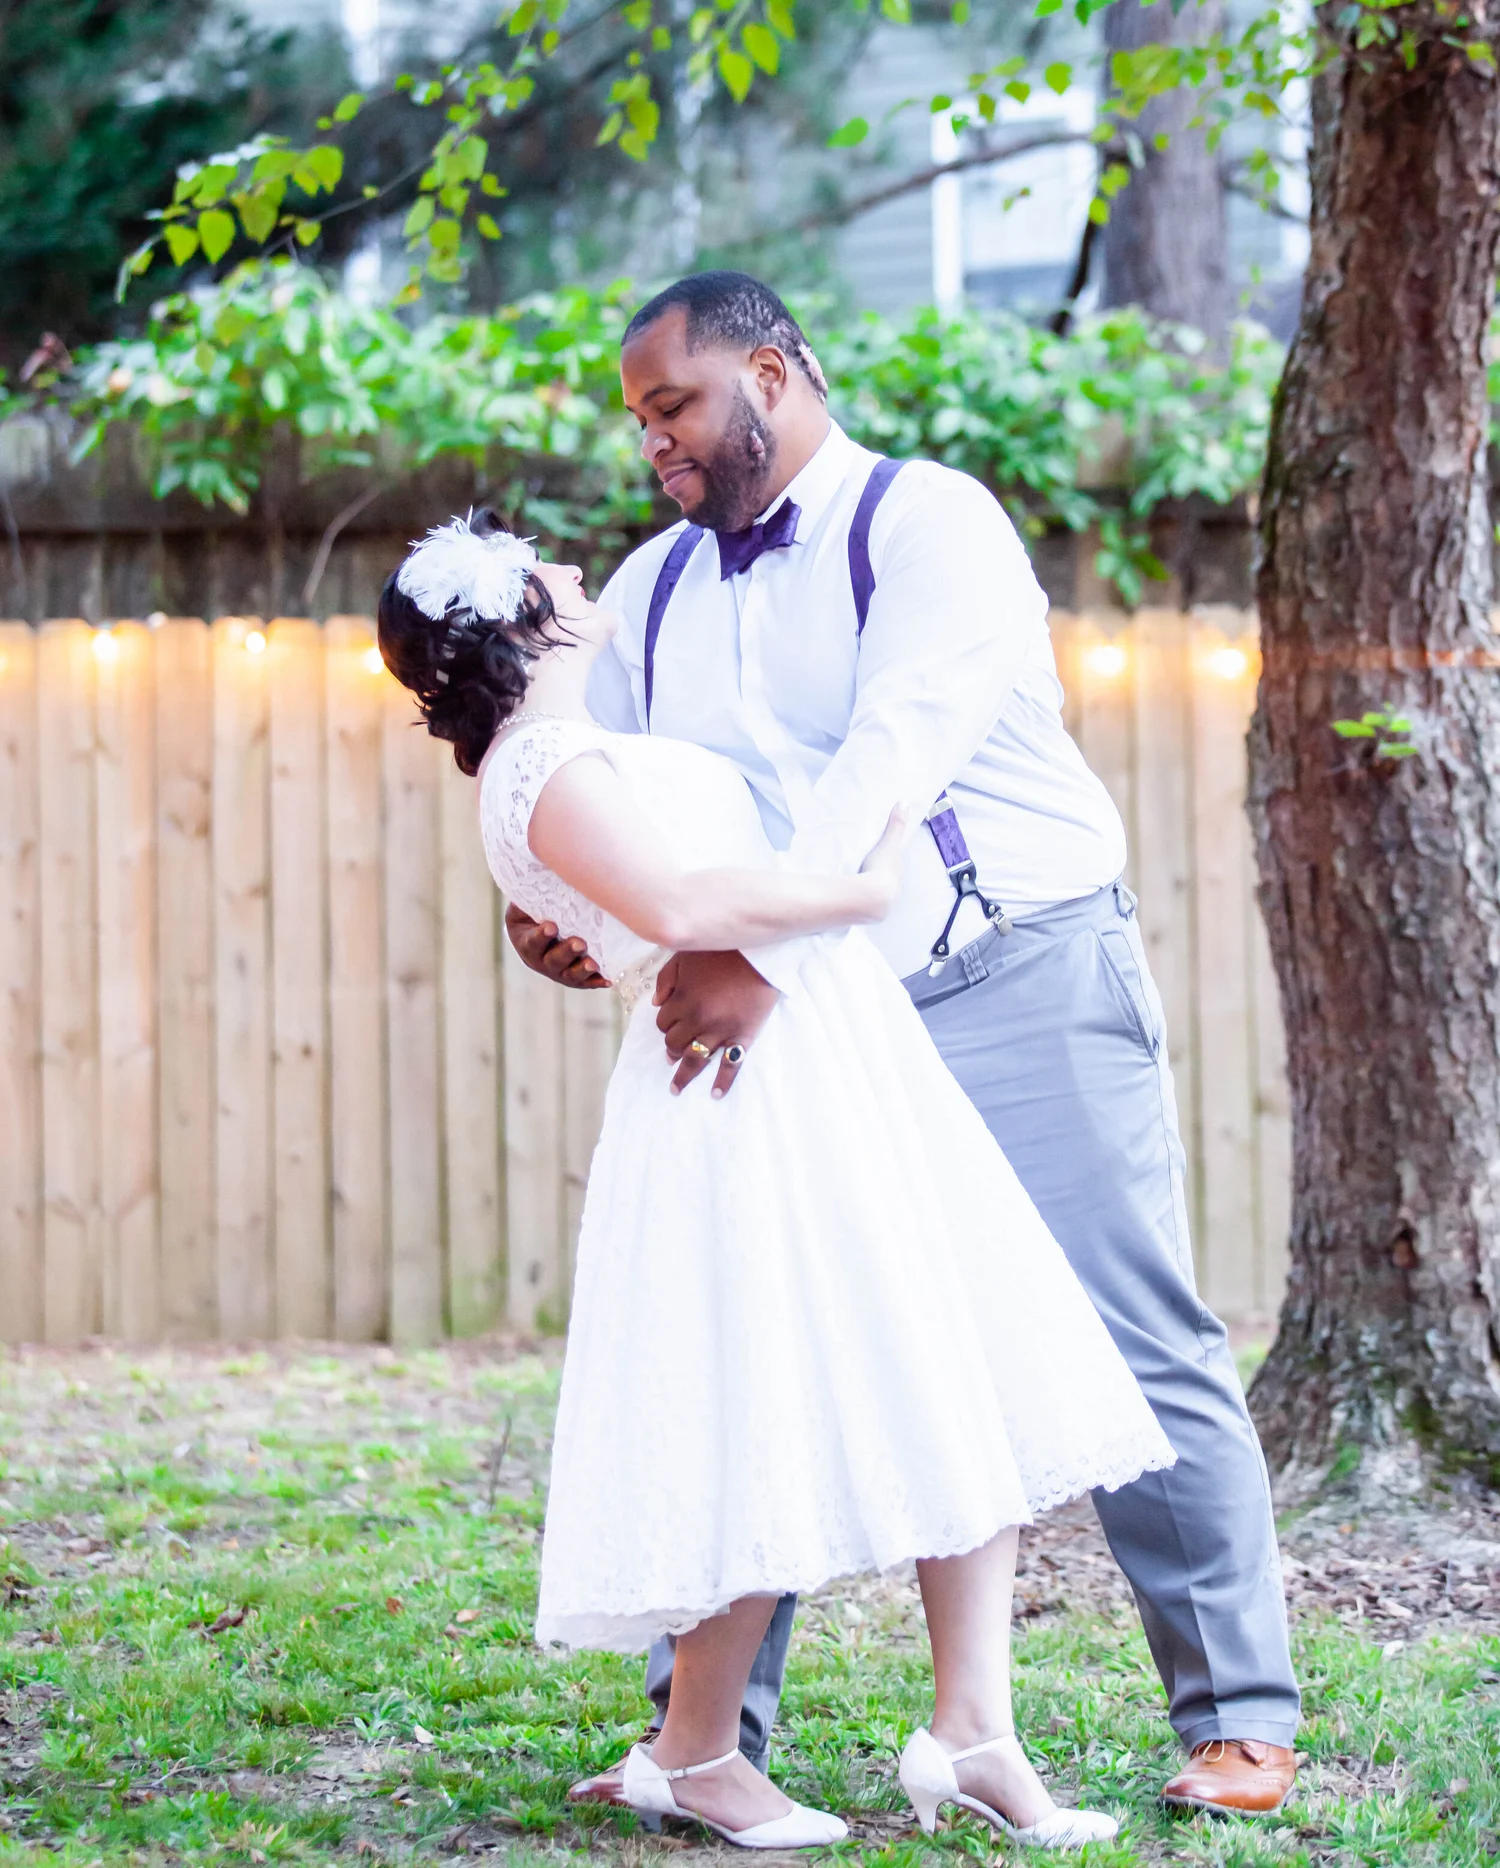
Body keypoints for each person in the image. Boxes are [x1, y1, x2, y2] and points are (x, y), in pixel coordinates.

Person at [509, 271, 1302, 1819]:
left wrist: (751, 955)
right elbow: (609, 789)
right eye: (639, 420)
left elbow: (891, 759)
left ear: (773, 372)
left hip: (1010, 967)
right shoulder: (651, 589)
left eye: (674, 407)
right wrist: (563, 921)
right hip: (811, 1021)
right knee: (753, 1337)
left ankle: (1238, 1719)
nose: (653, 442)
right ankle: (703, 1741)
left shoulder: (932, 523)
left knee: (1131, 1326)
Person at [377, 509, 1177, 1850]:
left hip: (823, 1056)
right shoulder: (547, 765)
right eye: (545, 568)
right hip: (745, 1091)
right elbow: (683, 912)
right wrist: (867, 888)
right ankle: (697, 1751)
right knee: (767, 1398)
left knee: (954, 1350)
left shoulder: (582, 748)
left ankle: (975, 1730)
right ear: (524, 620)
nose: (574, 567)